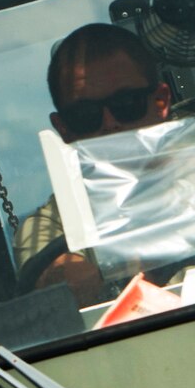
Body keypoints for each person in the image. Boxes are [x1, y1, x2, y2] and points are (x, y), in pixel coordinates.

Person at [14, 22, 176, 302]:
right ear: (63, 128)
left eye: (126, 103)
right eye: (86, 115)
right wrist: (63, 278)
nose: (109, 124)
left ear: (160, 101)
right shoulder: (52, 223)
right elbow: (54, 288)